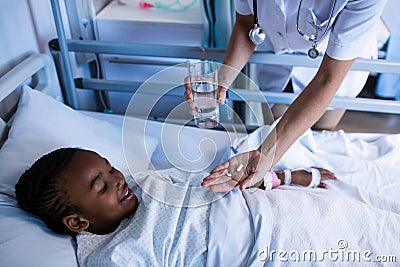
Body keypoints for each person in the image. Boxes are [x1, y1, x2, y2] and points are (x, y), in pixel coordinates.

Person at [15, 148, 346, 266]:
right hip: (257, 248)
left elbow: (223, 180)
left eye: (110, 167)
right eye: (101, 186)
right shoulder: (113, 255)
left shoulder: (142, 182)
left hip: (260, 205)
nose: (117, 179)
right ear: (77, 222)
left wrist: (288, 176)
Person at [185, 0, 387, 193]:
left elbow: (328, 78)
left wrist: (266, 154)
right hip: (278, 59)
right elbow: (246, 24)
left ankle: (299, 173)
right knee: (274, 131)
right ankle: (287, 174)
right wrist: (222, 81)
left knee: (320, 136)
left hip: (334, 63)